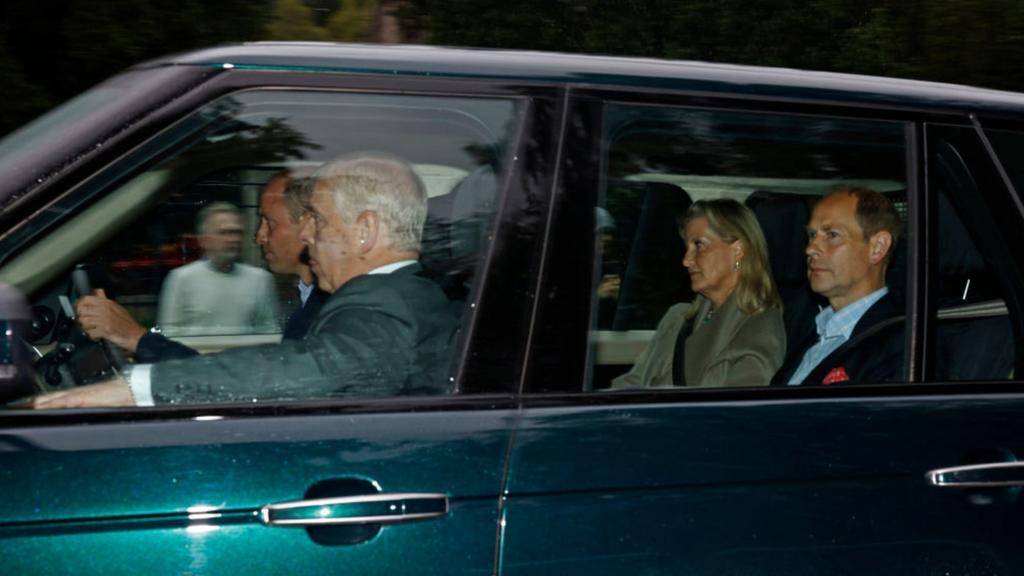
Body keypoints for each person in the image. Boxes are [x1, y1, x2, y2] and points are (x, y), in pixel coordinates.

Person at [32, 152, 459, 408]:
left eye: (318, 220)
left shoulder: (386, 307)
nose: (307, 235)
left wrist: (137, 389)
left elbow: (311, 369)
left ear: (365, 231)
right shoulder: (400, 295)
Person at [75, 172, 329, 362]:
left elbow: (254, 383)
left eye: (270, 224)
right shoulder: (308, 303)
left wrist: (137, 338)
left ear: (307, 227)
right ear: (204, 240)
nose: (259, 237)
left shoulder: (326, 311)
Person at [612, 198, 785, 389]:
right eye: (687, 248)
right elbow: (631, 385)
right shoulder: (676, 318)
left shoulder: (759, 329)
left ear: (738, 251)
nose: (686, 260)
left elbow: (736, 414)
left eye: (699, 245)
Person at [771, 187, 904, 386]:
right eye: (812, 235)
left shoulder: (900, 343)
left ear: (878, 247)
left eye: (832, 235)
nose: (810, 249)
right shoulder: (810, 330)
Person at [156, 202, 279, 337]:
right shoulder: (181, 278)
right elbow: (168, 335)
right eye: (224, 232)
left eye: (237, 232)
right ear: (204, 240)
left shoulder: (260, 279)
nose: (233, 239)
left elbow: (269, 333)